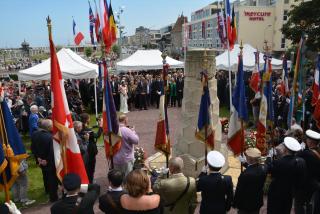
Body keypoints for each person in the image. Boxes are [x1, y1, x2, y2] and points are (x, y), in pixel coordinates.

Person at [266, 137, 306, 214]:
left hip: (276, 195)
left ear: (285, 150)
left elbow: (269, 169)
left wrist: (269, 156)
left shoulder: (279, 163)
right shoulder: (301, 161)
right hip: (289, 193)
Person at [31, 119, 59, 202]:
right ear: (49, 127)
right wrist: (46, 160)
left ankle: (47, 190)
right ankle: (53, 197)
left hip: (40, 161)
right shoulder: (50, 137)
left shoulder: (35, 135)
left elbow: (33, 148)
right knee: (52, 179)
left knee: (45, 175)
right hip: (49, 161)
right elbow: (51, 151)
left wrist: (38, 158)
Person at [233, 148, 267, 214]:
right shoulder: (264, 169)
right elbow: (254, 167)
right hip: (257, 202)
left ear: (249, 158)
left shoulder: (245, 174)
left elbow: (239, 191)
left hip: (245, 205)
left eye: (246, 156)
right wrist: (245, 163)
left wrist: (235, 203)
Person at [295, 130, 320, 214]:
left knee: (299, 205)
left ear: (309, 141)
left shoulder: (306, 154)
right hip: (315, 183)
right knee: (310, 204)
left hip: (304, 185)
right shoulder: (318, 152)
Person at [80, 113, 102, 183]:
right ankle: (90, 182)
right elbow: (97, 135)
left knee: (86, 166)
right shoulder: (87, 130)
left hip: (84, 150)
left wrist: (96, 126)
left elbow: (89, 128)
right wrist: (101, 126)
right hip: (90, 150)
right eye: (89, 118)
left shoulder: (80, 127)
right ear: (87, 120)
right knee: (91, 168)